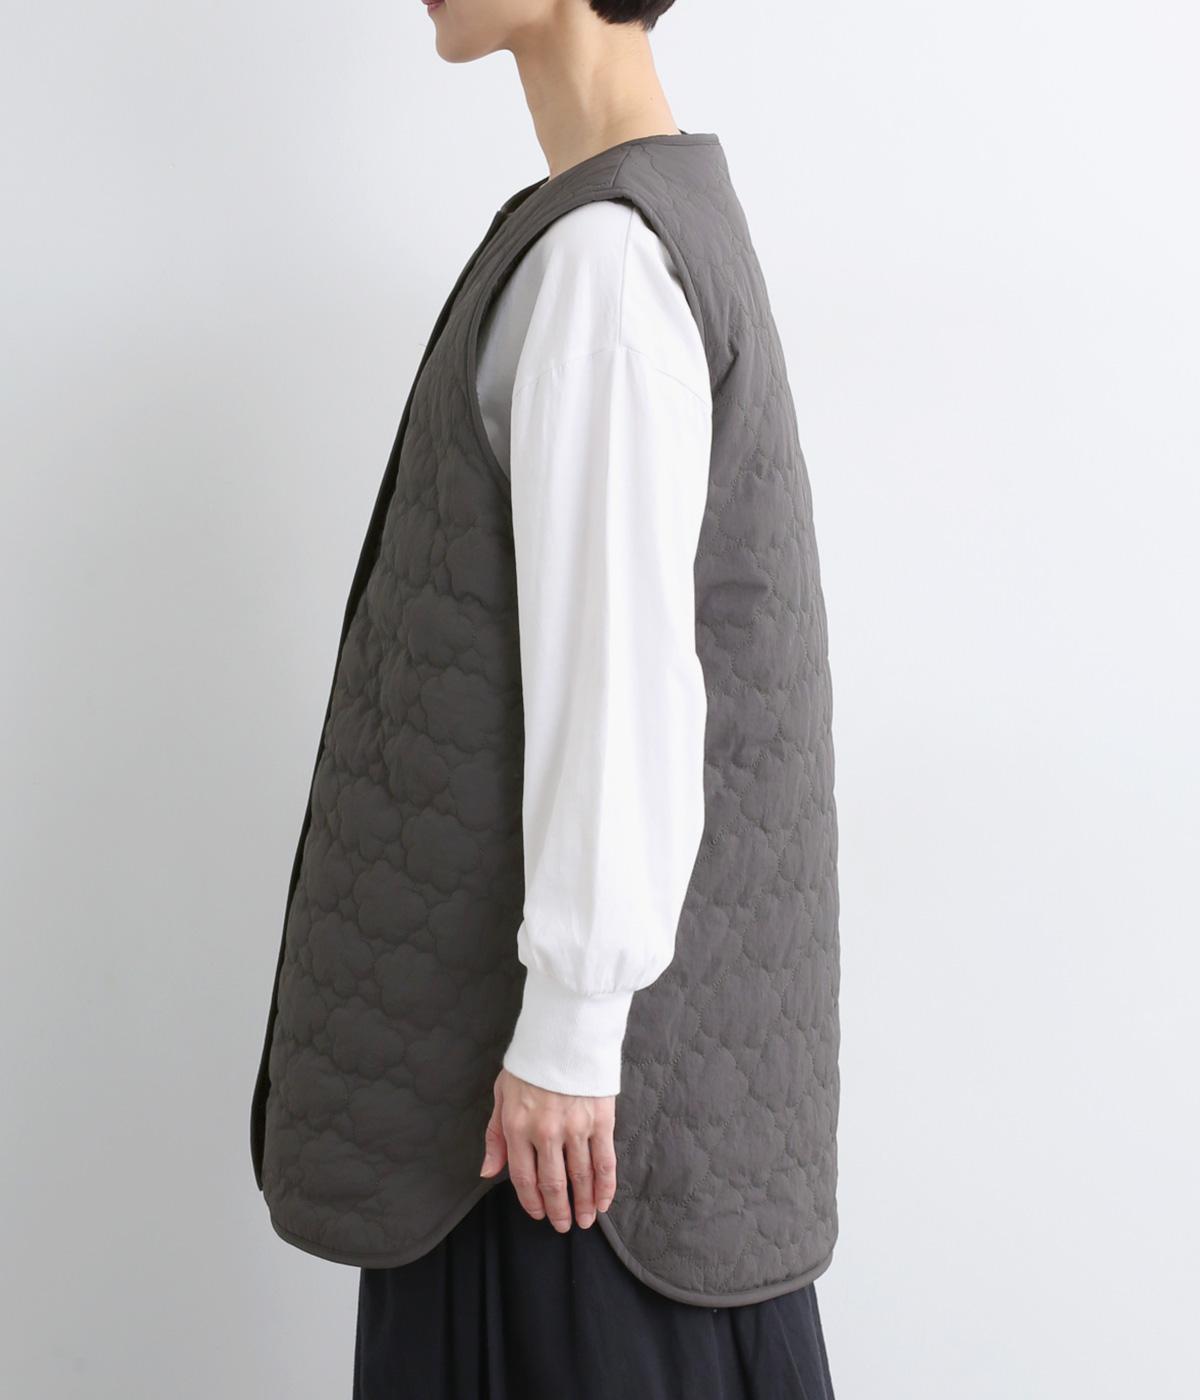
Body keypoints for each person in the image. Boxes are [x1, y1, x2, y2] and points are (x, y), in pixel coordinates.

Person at [249, 2, 841, 1396]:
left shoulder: (605, 263)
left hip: (560, 1145)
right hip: (562, 1112)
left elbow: (622, 669)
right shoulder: (612, 228)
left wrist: (572, 1031)